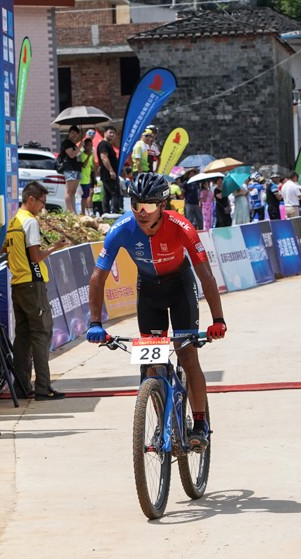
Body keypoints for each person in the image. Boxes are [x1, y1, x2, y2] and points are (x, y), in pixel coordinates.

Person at [85, 173, 227, 451]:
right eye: (135, 204)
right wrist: (94, 322)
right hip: (149, 290)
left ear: (163, 205)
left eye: (148, 207)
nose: (141, 212)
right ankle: (161, 423)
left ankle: (199, 424)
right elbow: (97, 277)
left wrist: (218, 319)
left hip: (180, 286)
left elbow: (205, 276)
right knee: (152, 364)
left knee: (187, 355)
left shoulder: (182, 226)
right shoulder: (122, 228)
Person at [3, 181, 70, 401]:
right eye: (42, 202)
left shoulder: (13, 221)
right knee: (41, 335)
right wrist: (54, 247)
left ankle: (22, 386)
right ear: (31, 199)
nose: (43, 207)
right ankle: (43, 387)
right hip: (33, 285)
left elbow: (5, 250)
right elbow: (36, 256)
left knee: (22, 337)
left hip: (18, 285)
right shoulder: (29, 222)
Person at [97, 125, 123, 214]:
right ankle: (115, 211)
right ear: (105, 133)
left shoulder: (109, 145)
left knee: (107, 196)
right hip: (108, 174)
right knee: (116, 193)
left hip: (109, 173)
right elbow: (104, 157)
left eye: (113, 133)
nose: (112, 135)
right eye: (110, 132)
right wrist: (111, 170)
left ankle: (106, 213)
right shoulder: (103, 144)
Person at [60, 125, 82, 214]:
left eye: (76, 134)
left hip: (76, 168)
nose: (74, 135)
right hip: (69, 168)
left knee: (73, 192)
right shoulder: (66, 143)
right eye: (73, 133)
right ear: (69, 133)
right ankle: (70, 210)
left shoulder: (73, 144)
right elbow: (71, 154)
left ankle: (73, 210)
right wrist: (79, 147)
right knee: (69, 191)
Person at [79, 136, 95, 216]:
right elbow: (84, 165)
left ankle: (84, 211)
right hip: (82, 179)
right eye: (88, 145)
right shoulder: (82, 154)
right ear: (85, 146)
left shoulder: (92, 155)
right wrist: (88, 156)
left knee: (87, 196)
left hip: (88, 178)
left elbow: (91, 167)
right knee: (83, 196)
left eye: (91, 145)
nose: (90, 147)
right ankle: (82, 211)